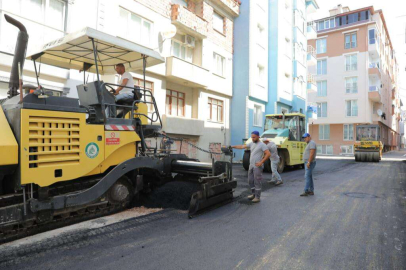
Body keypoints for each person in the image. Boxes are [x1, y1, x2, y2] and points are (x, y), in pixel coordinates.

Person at [231, 131, 271, 203]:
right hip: (251, 165)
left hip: (257, 166)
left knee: (257, 181)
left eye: (254, 137)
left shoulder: (262, 145)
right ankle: (253, 194)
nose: (252, 138)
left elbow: (268, 154)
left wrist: (261, 162)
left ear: (258, 137)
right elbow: (242, 146)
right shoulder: (251, 143)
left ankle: (257, 197)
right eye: (252, 137)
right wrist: (232, 146)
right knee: (250, 180)